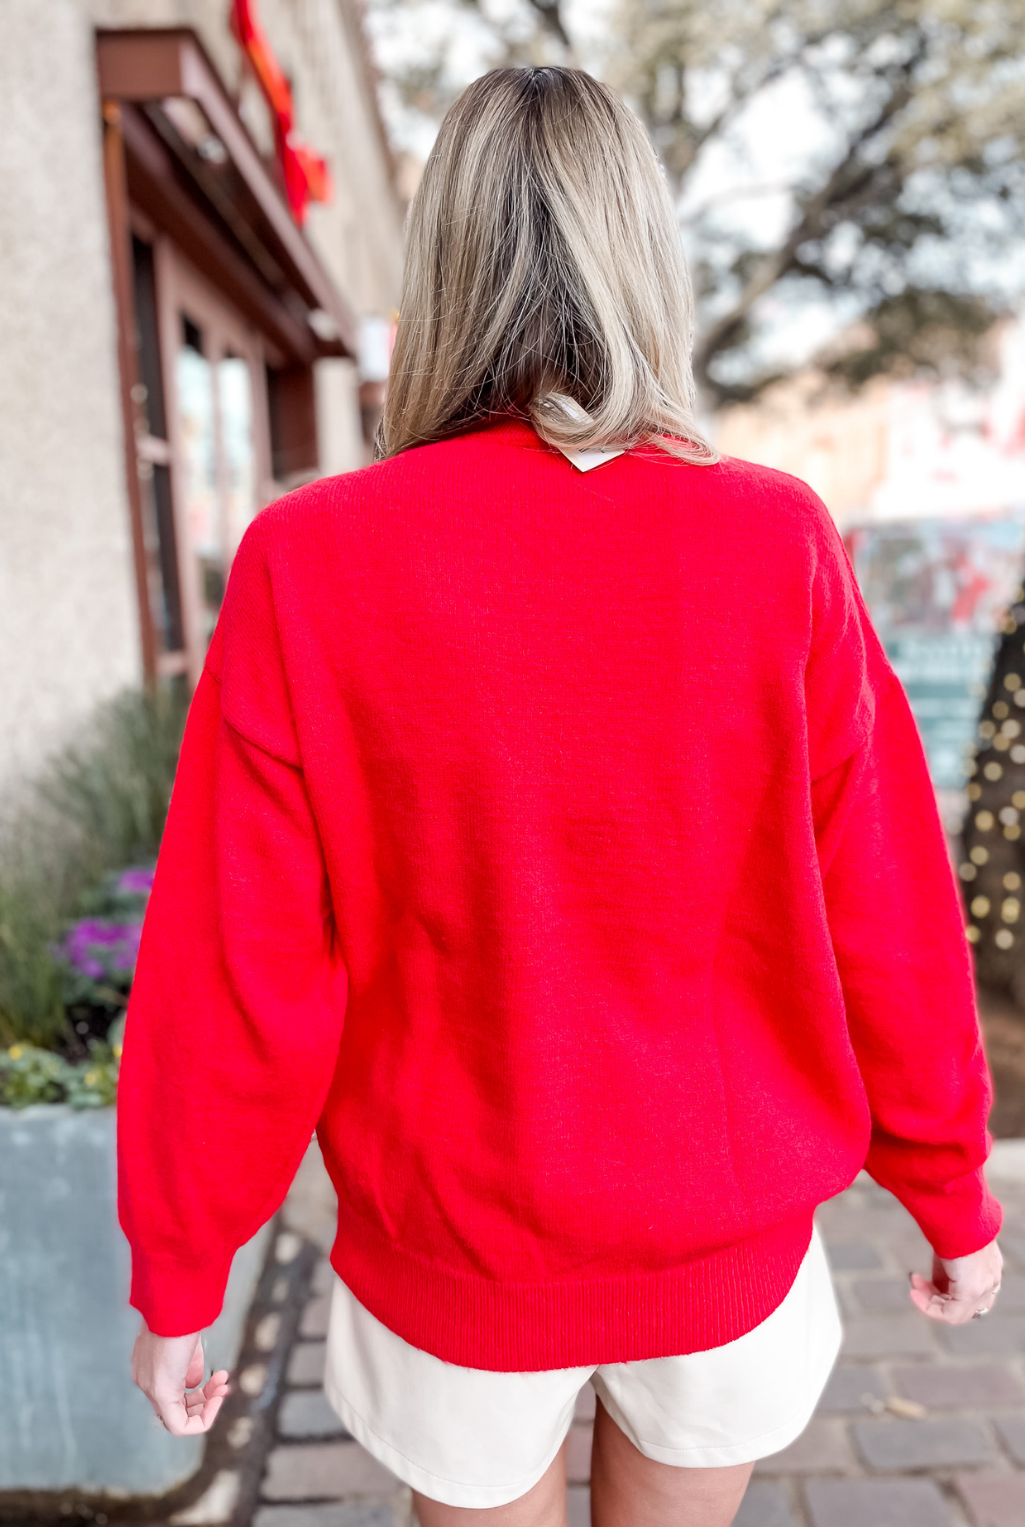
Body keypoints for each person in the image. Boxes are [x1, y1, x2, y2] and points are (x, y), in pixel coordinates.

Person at [121, 66, 1003, 1527]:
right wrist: (948, 1187)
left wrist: (181, 1269)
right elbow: (889, 905)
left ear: (443, 267)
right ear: (642, 251)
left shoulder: (312, 561)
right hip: (720, 1235)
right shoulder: (774, 539)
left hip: (449, 1244)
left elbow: (240, 961)